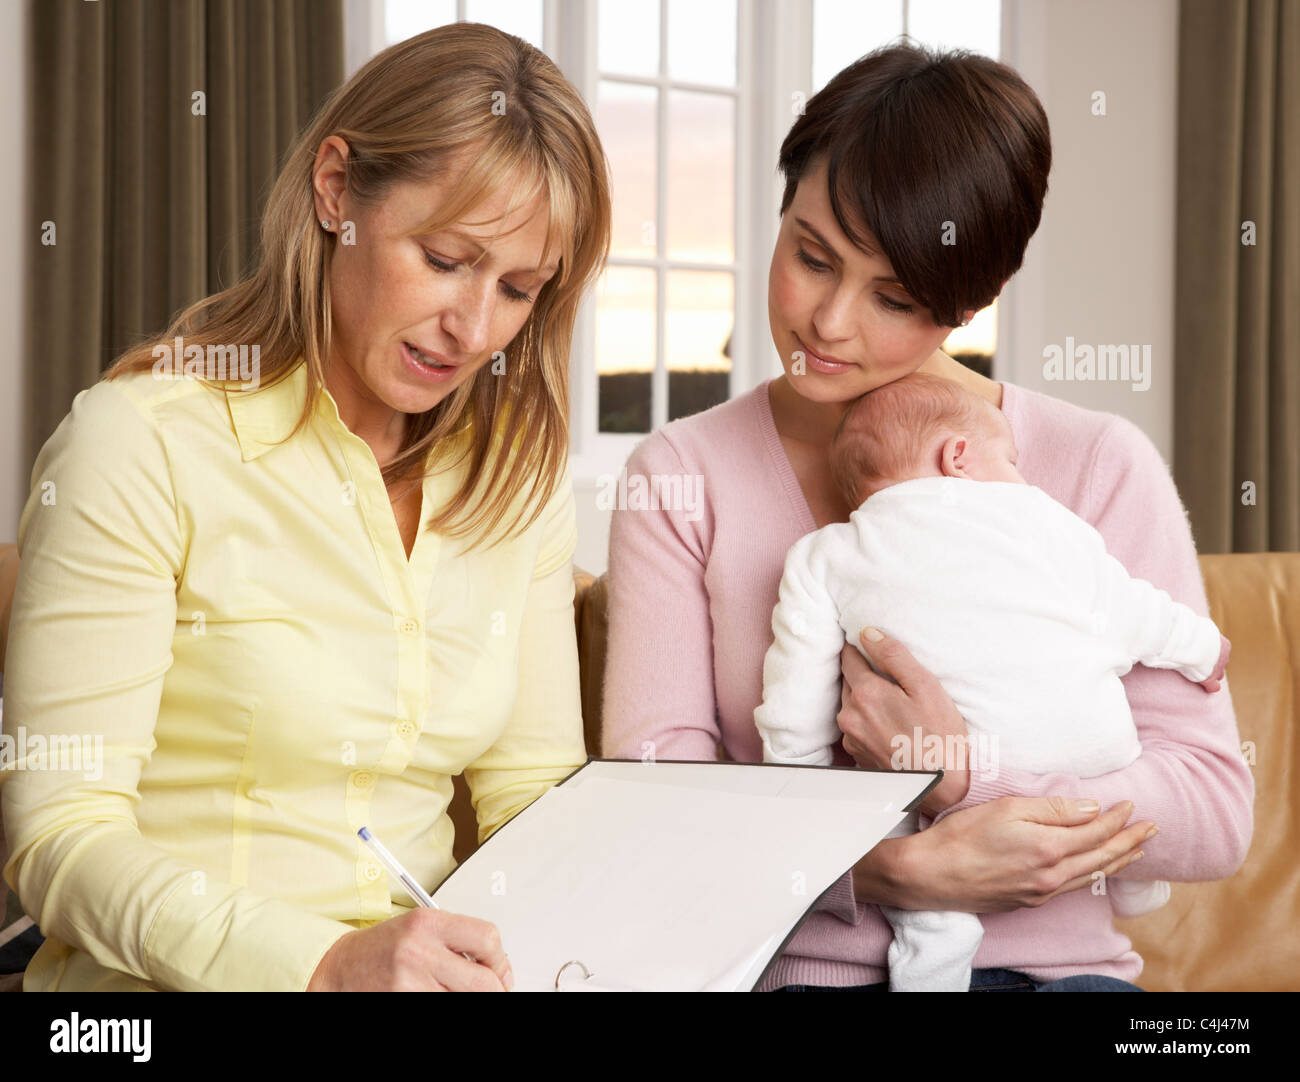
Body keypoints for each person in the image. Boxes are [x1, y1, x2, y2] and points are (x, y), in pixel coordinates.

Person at [602, 43, 1253, 992]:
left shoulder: (1097, 464)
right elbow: (658, 810)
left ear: (973, 299)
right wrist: (891, 871)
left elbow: (1212, 806)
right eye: (811, 256)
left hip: (1071, 982)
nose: (828, 323)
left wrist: (967, 783)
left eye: (895, 297)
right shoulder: (681, 476)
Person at [0, 23, 611, 991]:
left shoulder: (514, 476)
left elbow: (531, 797)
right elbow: (60, 836)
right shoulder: (141, 443)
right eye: (446, 257)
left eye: (518, 289)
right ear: (336, 191)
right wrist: (320, 963)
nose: (474, 327)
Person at [755, 371, 1231, 991]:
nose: (1021, 476)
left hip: (918, 774)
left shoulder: (827, 552)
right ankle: (1133, 881)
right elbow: (1127, 608)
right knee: (1121, 777)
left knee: (899, 819)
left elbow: (794, 693)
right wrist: (1198, 648)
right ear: (959, 457)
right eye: (1009, 459)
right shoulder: (1041, 516)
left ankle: (932, 964)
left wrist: (802, 774)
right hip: (1089, 745)